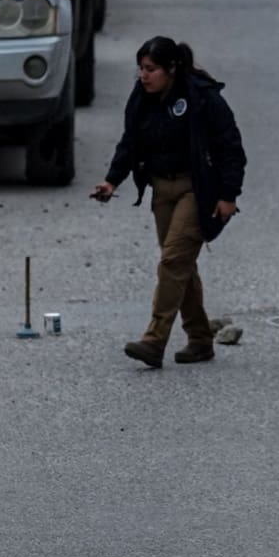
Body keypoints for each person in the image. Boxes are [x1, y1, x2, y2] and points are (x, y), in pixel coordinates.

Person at [91, 37, 246, 368]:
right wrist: (111, 180)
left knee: (173, 262)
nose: (144, 76)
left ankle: (154, 339)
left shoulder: (202, 97)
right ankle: (201, 339)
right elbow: (130, 142)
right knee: (180, 267)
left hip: (196, 191)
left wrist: (228, 195)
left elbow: (230, 147)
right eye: (141, 69)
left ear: (171, 69)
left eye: (151, 70)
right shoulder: (142, 98)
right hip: (162, 190)